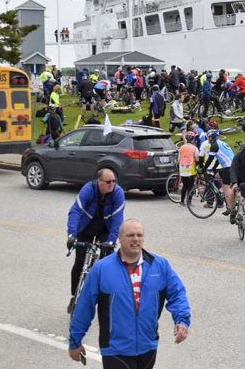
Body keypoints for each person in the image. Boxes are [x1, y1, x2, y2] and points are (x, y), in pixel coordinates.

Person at [69, 219, 190, 367]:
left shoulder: (160, 266)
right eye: (130, 235)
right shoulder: (101, 269)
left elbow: (177, 293)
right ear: (120, 239)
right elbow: (84, 306)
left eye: (139, 235)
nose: (136, 239)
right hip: (115, 350)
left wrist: (182, 320)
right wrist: (75, 341)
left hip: (148, 347)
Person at [66, 168, 125, 313]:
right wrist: (71, 235)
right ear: (99, 181)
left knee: (107, 265)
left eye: (114, 181)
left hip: (105, 229)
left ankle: (104, 299)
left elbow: (118, 220)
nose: (112, 184)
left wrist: (111, 241)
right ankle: (75, 295)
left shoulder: (118, 193)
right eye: (108, 181)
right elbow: (75, 211)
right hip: (86, 227)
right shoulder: (88, 189)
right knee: (79, 263)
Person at [178, 132, 200, 206]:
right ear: (193, 139)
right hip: (190, 168)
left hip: (182, 167)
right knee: (190, 186)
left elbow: (179, 158)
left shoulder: (181, 147)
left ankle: (182, 201)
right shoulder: (194, 148)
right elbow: (197, 158)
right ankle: (189, 202)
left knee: (184, 185)